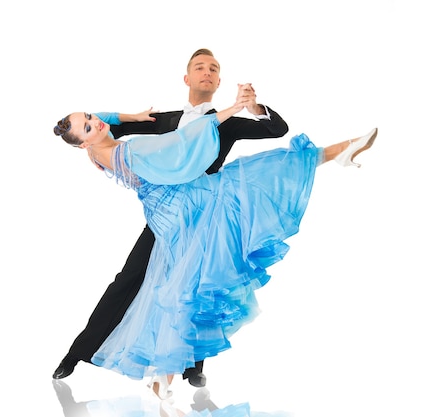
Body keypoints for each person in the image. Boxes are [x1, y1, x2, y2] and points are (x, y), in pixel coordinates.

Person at [52, 101, 378, 398]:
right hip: (188, 207)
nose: (97, 121)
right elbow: (180, 143)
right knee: (250, 181)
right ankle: (335, 152)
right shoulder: (133, 152)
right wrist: (231, 108)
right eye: (90, 126)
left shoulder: (94, 152)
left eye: (91, 116)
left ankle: (162, 377)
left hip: (165, 212)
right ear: (84, 142)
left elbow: (104, 120)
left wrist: (127, 118)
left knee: (182, 287)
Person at [52, 48, 290, 388]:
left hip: (205, 215)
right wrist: (125, 118)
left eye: (213, 69)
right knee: (127, 280)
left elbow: (277, 130)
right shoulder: (163, 121)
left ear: (219, 81)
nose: (206, 72)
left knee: (200, 287)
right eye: (199, 67)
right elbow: (104, 127)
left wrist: (254, 108)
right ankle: (79, 351)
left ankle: (194, 365)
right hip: (164, 216)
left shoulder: (229, 122)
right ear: (187, 78)